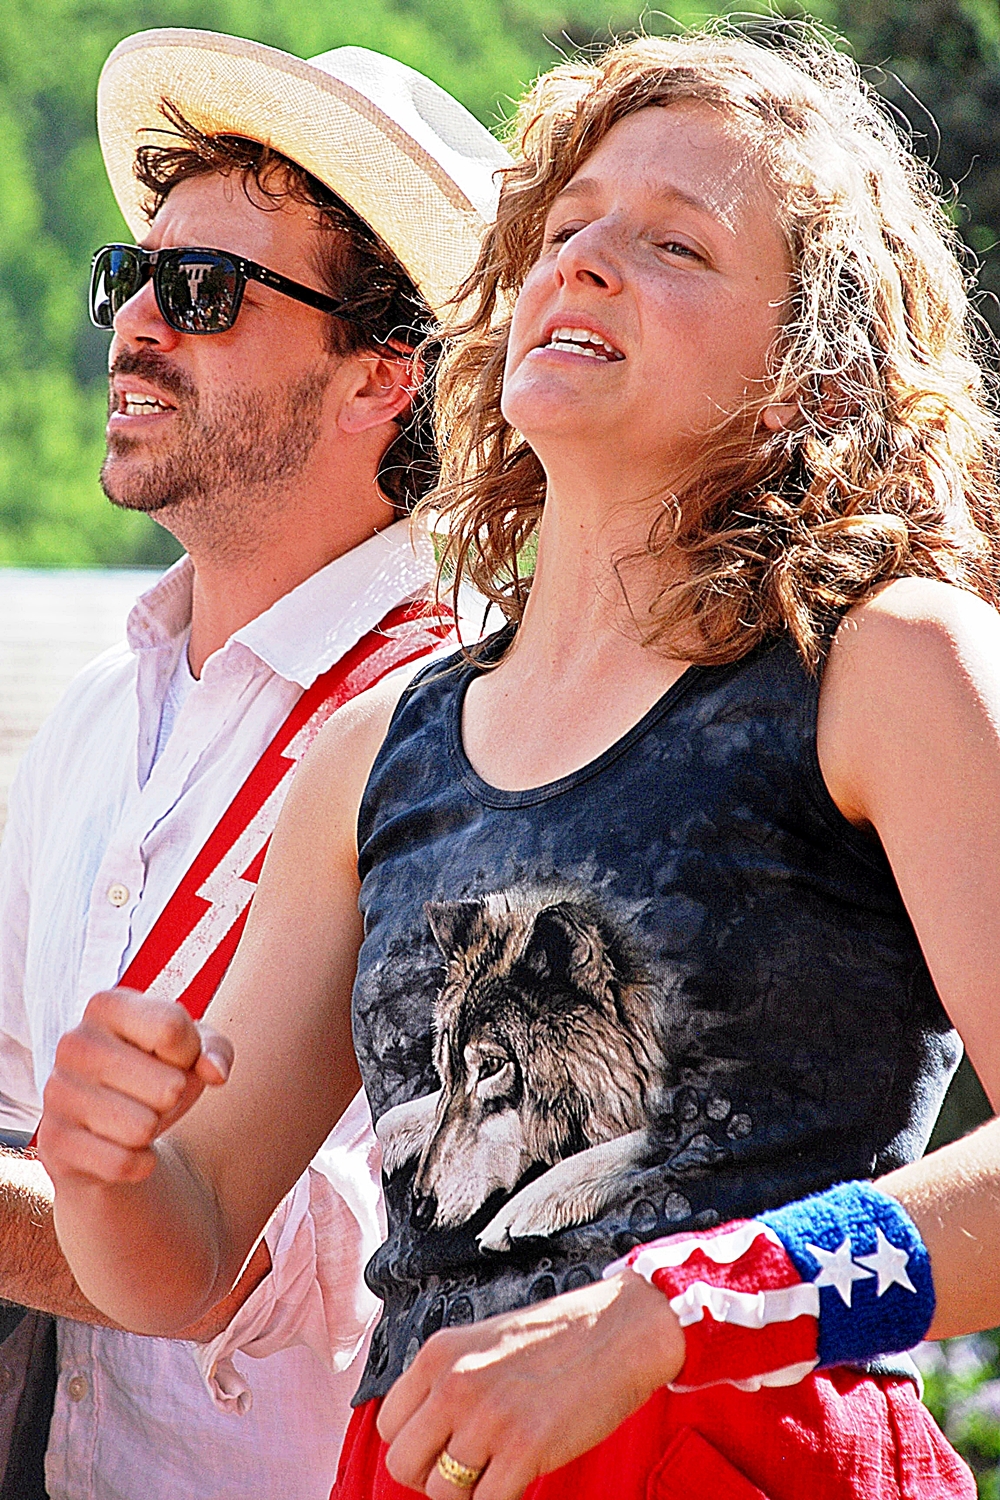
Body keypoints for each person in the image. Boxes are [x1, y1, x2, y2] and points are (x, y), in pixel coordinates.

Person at [37, 24, 1000, 1500]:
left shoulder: (891, 666)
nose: (586, 261)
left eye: (675, 243)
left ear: (812, 374)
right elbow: (188, 1248)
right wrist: (108, 1167)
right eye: (564, 230)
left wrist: (672, 1317)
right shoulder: (377, 749)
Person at [0, 26, 507, 1500]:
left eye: (203, 291)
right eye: (131, 275)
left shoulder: (473, 737)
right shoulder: (100, 710)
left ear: (383, 379)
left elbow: (318, 1266)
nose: (134, 323)